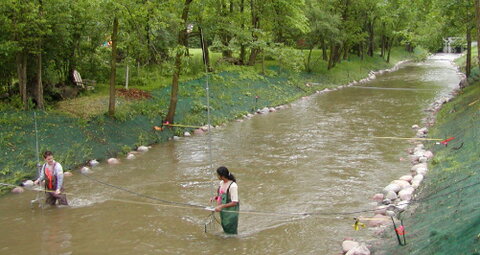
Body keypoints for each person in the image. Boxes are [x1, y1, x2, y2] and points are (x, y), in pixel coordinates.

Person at [213, 166, 239, 234]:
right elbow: (221, 194)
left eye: (218, 175)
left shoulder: (233, 186)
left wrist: (221, 206)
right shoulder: (221, 183)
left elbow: (234, 202)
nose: (217, 176)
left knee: (231, 228)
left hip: (231, 210)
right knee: (225, 225)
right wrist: (216, 198)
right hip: (224, 209)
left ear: (222, 176)